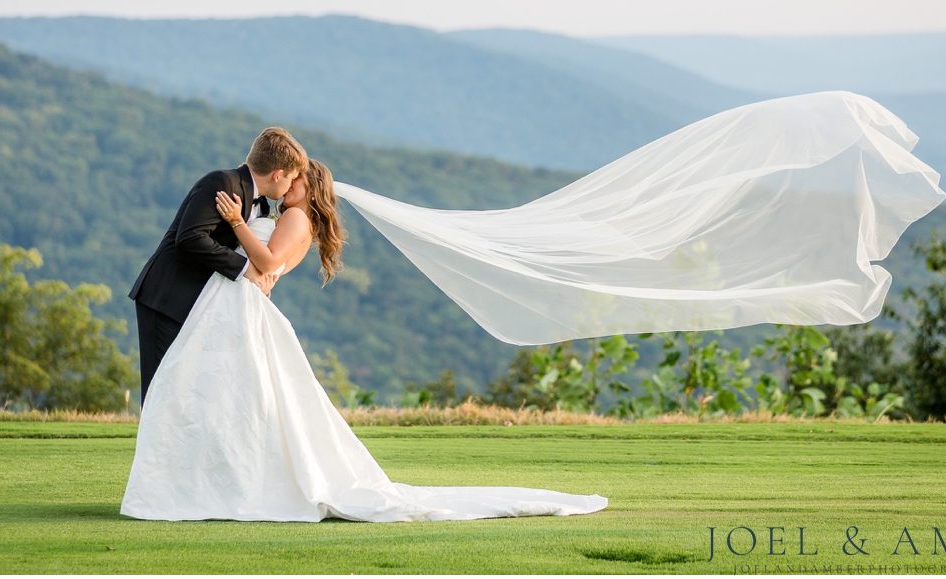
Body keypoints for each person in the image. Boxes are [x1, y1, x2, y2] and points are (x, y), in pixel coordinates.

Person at [120, 158, 608, 522]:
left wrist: (237, 224)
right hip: (231, 309)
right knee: (229, 400)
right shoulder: (286, 213)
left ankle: (211, 485)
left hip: (244, 308)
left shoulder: (295, 219)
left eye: (296, 181)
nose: (287, 186)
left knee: (236, 401)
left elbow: (266, 267)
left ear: (308, 188)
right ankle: (206, 482)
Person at [127, 126, 308, 403]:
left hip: (204, 305)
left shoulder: (262, 206)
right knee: (160, 391)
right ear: (277, 174)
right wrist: (246, 270)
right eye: (292, 178)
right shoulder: (223, 182)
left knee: (190, 393)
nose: (290, 187)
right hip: (168, 297)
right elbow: (190, 238)